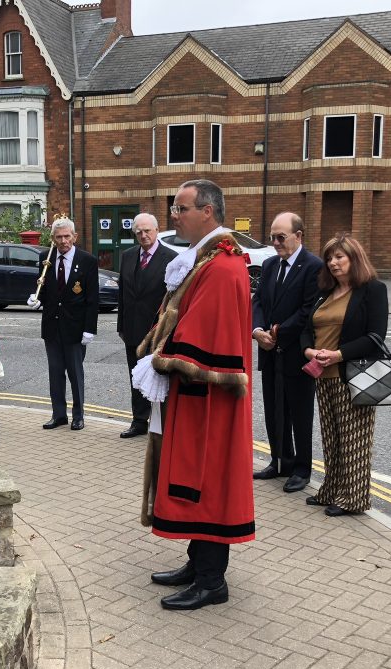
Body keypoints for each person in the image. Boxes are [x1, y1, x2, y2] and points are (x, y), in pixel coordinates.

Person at [136, 179, 254, 611]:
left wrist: (162, 360)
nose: (174, 215)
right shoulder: (207, 260)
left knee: (209, 483)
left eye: (180, 208)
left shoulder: (222, 267)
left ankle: (211, 580)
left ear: (207, 211)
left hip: (211, 401)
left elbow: (206, 336)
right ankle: (196, 562)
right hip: (196, 398)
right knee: (193, 481)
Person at [301, 234, 388, 517]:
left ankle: (354, 498)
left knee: (355, 441)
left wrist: (338, 354)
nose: (333, 263)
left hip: (353, 374)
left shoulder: (373, 289)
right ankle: (331, 489)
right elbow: (307, 328)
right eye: (329, 258)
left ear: (354, 258)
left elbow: (376, 337)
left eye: (339, 257)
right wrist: (308, 351)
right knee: (333, 438)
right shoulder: (325, 291)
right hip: (323, 375)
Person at [251, 212, 322, 492]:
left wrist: (278, 332)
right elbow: (258, 302)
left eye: (281, 237)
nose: (276, 243)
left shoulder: (313, 266)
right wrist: (257, 331)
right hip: (270, 351)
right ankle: (279, 461)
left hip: (296, 352)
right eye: (272, 238)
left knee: (299, 413)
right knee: (274, 409)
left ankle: (302, 468)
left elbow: (308, 310)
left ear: (298, 236)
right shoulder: (269, 265)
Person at [116, 212, 177, 438]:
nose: (143, 235)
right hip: (132, 329)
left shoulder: (170, 257)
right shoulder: (128, 256)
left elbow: (173, 298)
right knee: (136, 378)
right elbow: (123, 293)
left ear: (157, 230)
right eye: (139, 232)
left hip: (158, 332)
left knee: (160, 377)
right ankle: (139, 421)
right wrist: (121, 325)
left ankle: (162, 423)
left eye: (147, 231)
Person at [38, 218, 98, 431]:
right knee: (55, 373)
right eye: (58, 237)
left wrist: (90, 329)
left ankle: (78, 415)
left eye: (67, 236)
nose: (63, 241)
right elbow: (44, 291)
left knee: (75, 373)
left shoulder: (88, 261)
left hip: (75, 329)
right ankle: (59, 414)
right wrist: (37, 300)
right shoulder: (45, 258)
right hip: (52, 328)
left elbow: (92, 299)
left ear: (75, 237)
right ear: (53, 239)